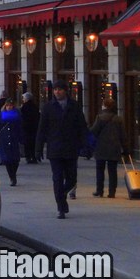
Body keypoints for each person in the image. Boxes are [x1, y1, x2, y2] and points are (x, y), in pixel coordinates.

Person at [36, 80, 88, 219]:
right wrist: (38, 148)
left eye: (60, 89)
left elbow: (82, 127)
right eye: (55, 90)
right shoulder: (48, 107)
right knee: (57, 178)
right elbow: (42, 129)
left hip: (71, 148)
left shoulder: (74, 106)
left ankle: (62, 194)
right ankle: (61, 207)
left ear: (66, 91)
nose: (57, 92)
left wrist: (86, 146)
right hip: (55, 148)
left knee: (72, 179)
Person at [89, 98, 129, 198]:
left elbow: (93, 131)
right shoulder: (118, 119)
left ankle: (99, 190)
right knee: (112, 171)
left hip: (101, 147)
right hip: (114, 148)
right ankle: (112, 192)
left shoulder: (100, 118)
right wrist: (126, 149)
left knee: (100, 169)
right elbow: (123, 135)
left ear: (105, 106)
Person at [0, 98, 23, 186]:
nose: (9, 107)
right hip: (4, 139)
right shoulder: (1, 114)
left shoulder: (17, 114)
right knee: (7, 159)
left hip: (14, 138)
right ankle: (12, 177)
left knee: (15, 159)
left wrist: (21, 139)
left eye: (11, 105)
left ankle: (13, 174)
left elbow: (20, 127)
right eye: (8, 105)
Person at [20, 92, 40, 163]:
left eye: (23, 98)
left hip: (26, 128)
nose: (23, 99)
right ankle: (33, 157)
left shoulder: (24, 107)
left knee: (27, 143)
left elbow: (22, 117)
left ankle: (28, 157)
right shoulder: (35, 106)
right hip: (34, 128)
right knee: (33, 143)